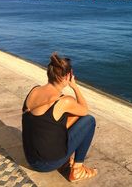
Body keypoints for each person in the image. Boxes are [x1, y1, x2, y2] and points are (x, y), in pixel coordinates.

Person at [22, 52, 97, 182]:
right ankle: (77, 170)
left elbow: (46, 123)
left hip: (30, 159)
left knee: (71, 116)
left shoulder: (34, 91)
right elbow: (84, 110)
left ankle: (66, 160)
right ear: (68, 76)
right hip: (47, 164)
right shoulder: (63, 101)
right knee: (89, 121)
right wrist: (75, 87)